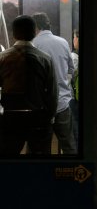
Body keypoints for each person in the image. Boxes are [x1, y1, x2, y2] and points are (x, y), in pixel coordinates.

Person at [0, 15, 58, 154]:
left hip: (9, 119)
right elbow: (52, 93)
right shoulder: (45, 59)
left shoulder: (3, 58)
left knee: (8, 161)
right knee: (39, 162)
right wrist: (49, 118)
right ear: (34, 33)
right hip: (38, 119)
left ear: (13, 34)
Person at [32, 12, 77, 154]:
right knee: (69, 145)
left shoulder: (34, 45)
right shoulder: (63, 42)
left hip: (42, 105)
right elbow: (71, 69)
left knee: (41, 147)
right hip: (63, 102)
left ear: (35, 27)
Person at [70, 29, 79, 148]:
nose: (73, 40)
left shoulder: (74, 57)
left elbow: (70, 78)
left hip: (75, 99)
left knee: (76, 131)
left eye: (74, 37)